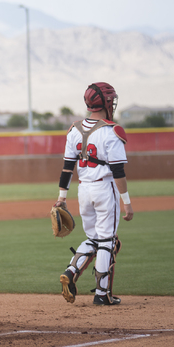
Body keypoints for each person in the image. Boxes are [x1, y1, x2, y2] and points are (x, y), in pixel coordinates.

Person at [56, 82, 134, 306]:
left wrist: (62, 196)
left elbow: (67, 168)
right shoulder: (111, 130)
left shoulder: (74, 130)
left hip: (83, 190)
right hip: (104, 189)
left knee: (94, 239)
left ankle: (72, 271)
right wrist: (126, 202)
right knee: (108, 241)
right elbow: (118, 171)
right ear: (107, 102)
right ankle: (102, 294)